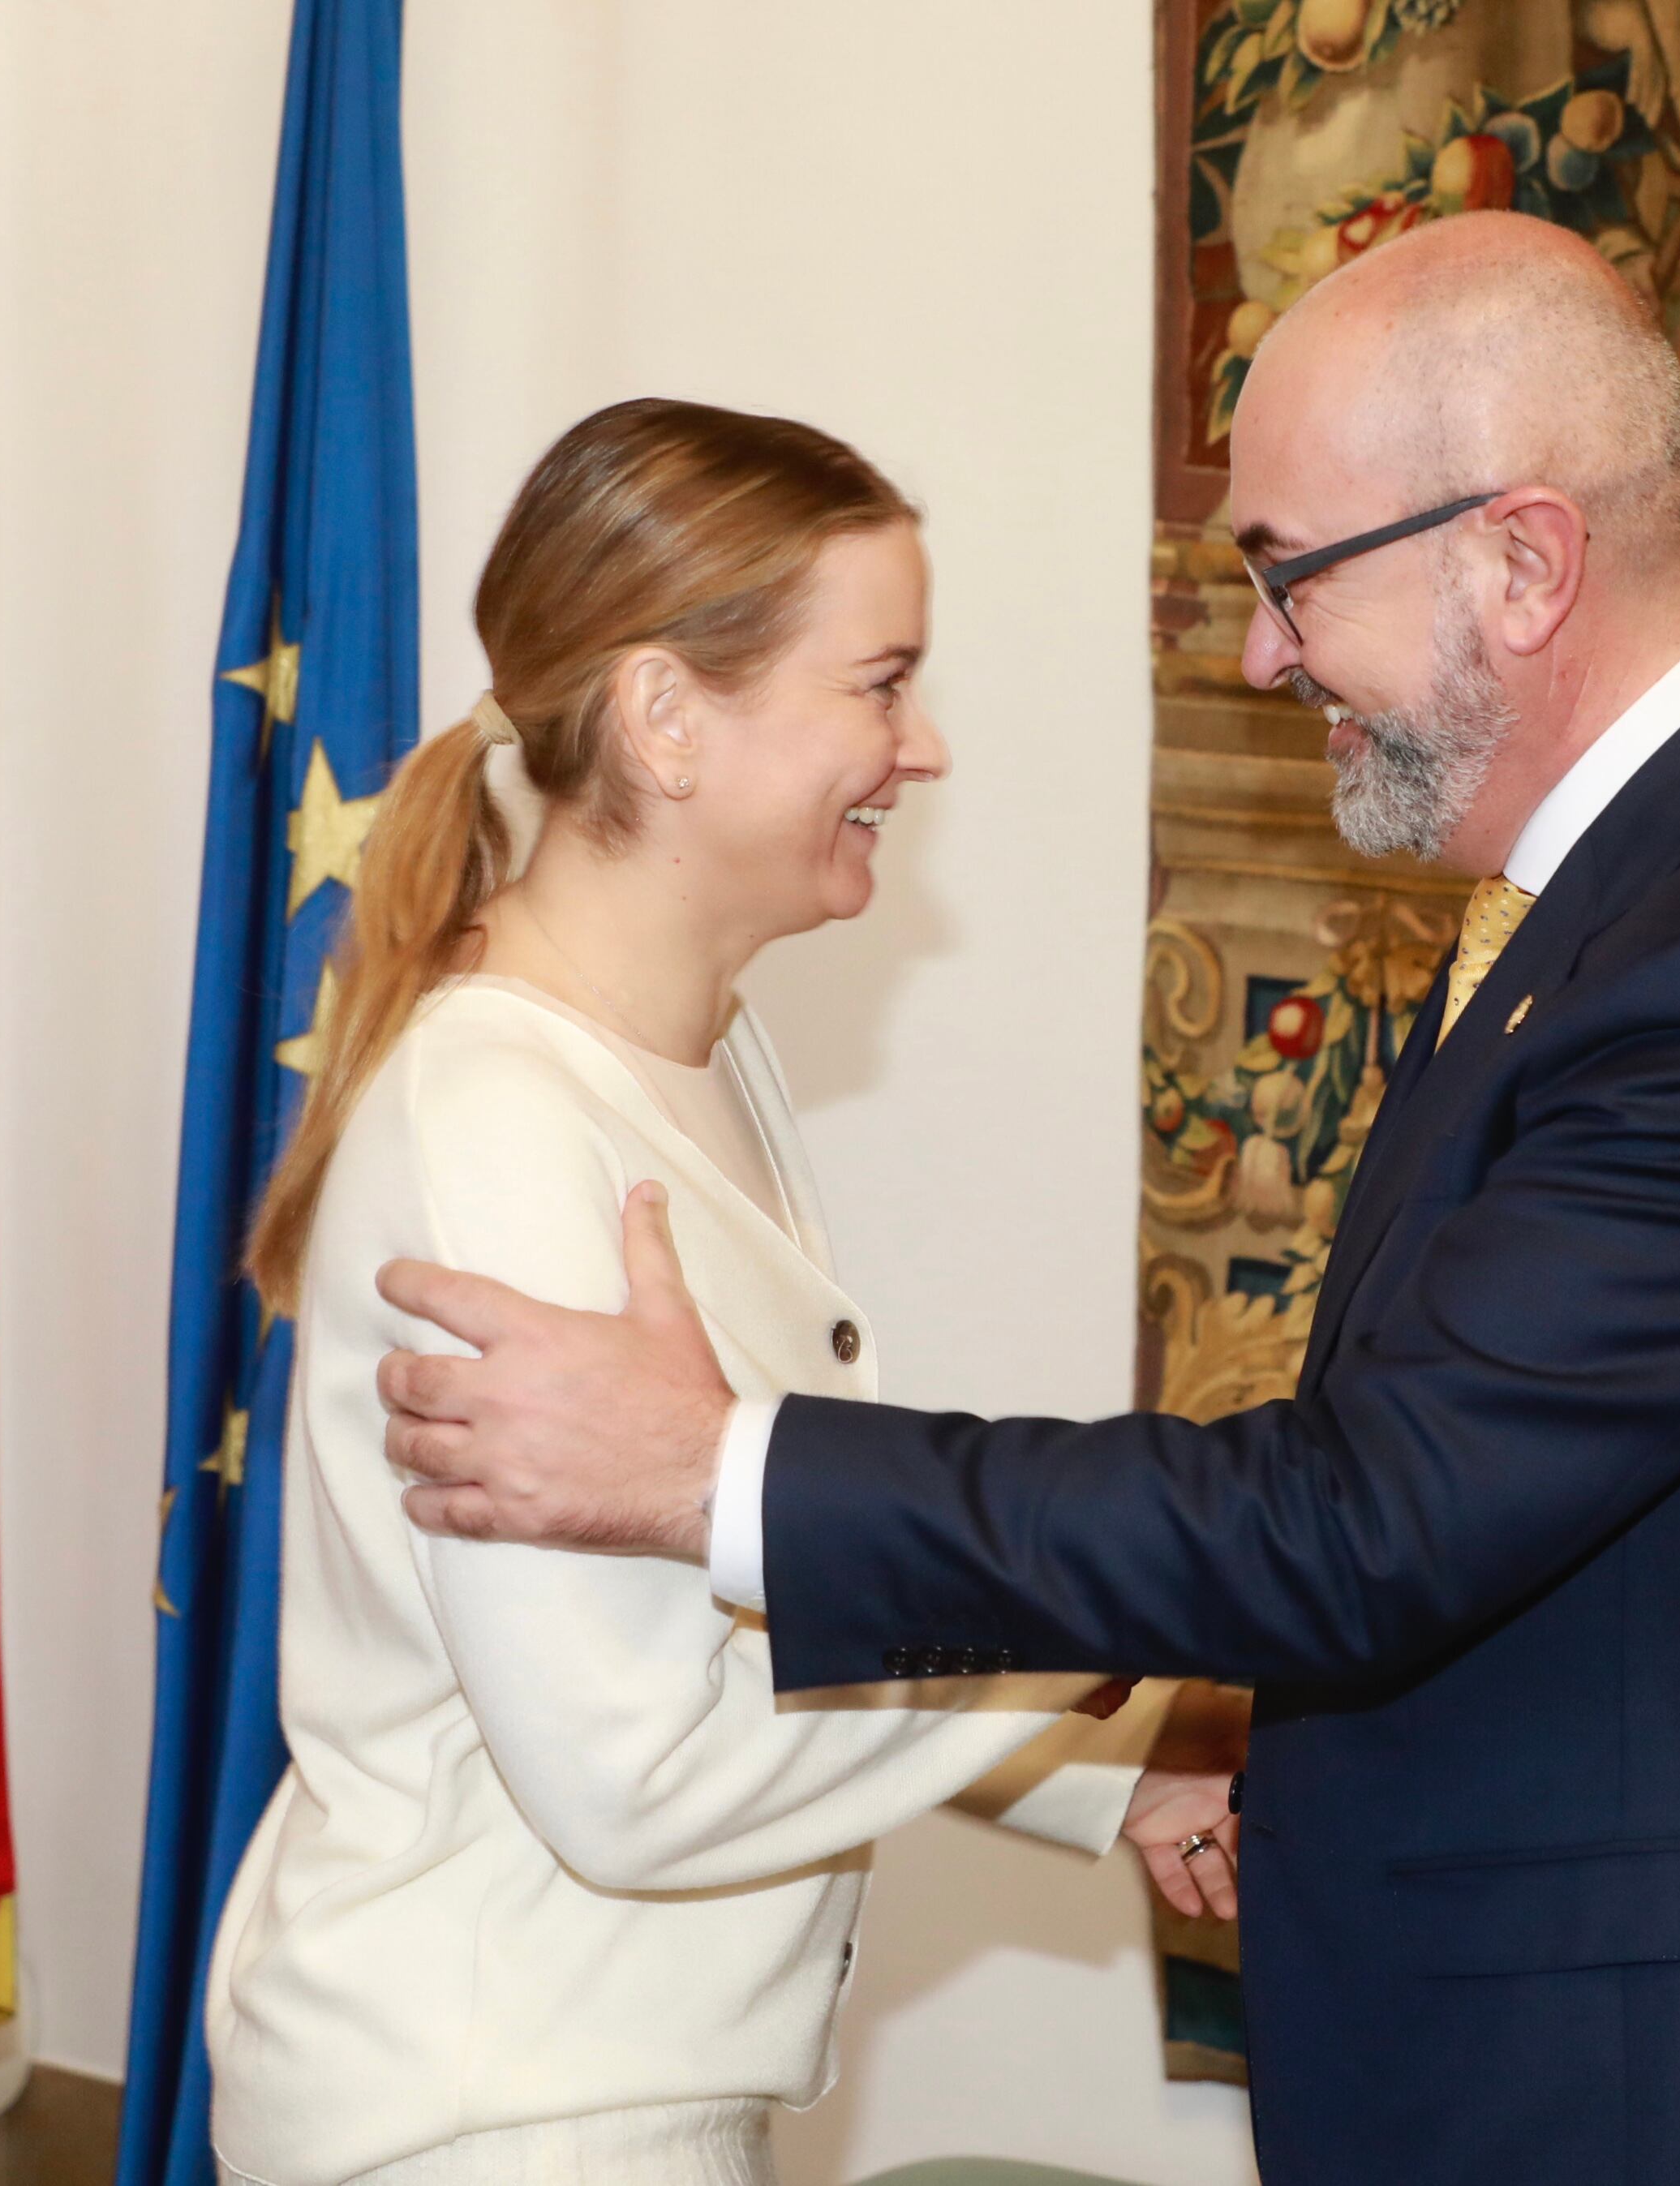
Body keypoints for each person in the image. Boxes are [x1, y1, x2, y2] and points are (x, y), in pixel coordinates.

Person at [368, 217, 1680, 2184]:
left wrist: (722, 1470)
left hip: (1663, 2091)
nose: (1265, 653)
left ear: (1521, 561)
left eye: (1288, 575)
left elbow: (1363, 1516)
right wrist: (1126, 1738)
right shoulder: (1664, 900)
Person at [200, 398, 1241, 2186]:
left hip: (594, 2085)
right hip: (487, 2115)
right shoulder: (502, 1125)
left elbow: (763, 1587)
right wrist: (1087, 1667)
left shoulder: (701, 1055)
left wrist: (1115, 1759)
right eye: (880, 681)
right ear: (670, 719)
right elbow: (635, 1772)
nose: (919, 751)